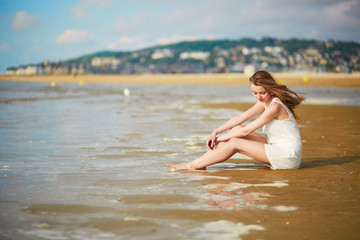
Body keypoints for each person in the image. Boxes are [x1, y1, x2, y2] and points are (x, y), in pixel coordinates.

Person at [165, 70, 305, 170]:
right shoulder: (265, 102)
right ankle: (201, 164)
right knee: (235, 129)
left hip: (287, 156)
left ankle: (191, 165)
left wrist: (220, 139)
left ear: (270, 89)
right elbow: (240, 118)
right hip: (276, 147)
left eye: (262, 92)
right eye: (254, 93)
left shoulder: (275, 106)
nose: (259, 97)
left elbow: (247, 130)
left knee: (235, 141)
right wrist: (216, 131)